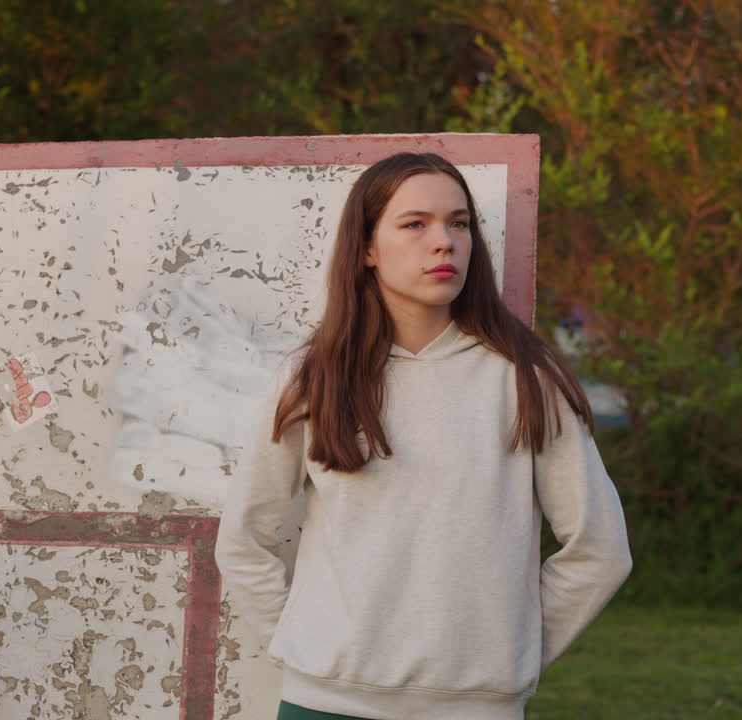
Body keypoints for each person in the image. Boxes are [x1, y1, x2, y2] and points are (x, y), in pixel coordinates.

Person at [214, 152, 633, 720]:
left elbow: (600, 550)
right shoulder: (316, 377)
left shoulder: (526, 378)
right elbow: (244, 538)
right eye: (415, 224)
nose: (444, 242)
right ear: (366, 248)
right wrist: (307, 649)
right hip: (324, 703)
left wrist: (510, 659)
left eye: (458, 223)